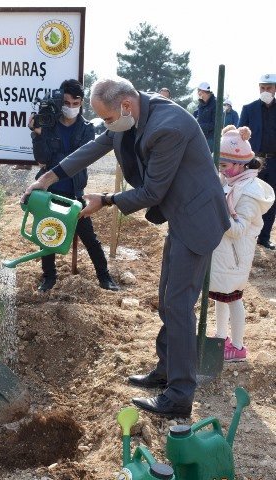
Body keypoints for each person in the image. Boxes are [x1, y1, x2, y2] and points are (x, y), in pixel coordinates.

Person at [23, 76, 230, 418]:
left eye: (107, 119)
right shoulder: (131, 114)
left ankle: (179, 396)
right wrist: (47, 177)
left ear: (126, 106)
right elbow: (95, 147)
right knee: (169, 299)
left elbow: (151, 192)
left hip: (196, 218)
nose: (106, 126)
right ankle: (167, 370)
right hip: (180, 215)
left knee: (178, 305)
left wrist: (103, 199)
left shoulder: (170, 127)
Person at [29, 78, 119, 292]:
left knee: (90, 239)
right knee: (47, 236)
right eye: (67, 103)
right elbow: (42, 160)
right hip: (50, 193)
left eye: (75, 104)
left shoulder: (87, 128)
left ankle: (104, 278)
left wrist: (57, 157)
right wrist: (38, 134)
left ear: (81, 103)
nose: (71, 108)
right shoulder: (48, 125)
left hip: (74, 194)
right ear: (60, 101)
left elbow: (81, 159)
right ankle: (48, 278)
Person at [209, 126, 274, 362]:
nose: (221, 170)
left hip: (236, 256)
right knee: (220, 296)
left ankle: (237, 346)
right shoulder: (232, 182)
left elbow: (237, 231)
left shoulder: (249, 193)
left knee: (234, 298)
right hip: (224, 254)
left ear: (240, 164)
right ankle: (220, 337)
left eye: (224, 166)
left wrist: (217, 210)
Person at [239, 73, 276, 250]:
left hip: (275, 162)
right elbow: (240, 136)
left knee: (271, 200)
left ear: (275, 89)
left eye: (269, 88)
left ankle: (264, 238)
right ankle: (246, 236)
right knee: (250, 198)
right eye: (262, 87)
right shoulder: (249, 109)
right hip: (254, 161)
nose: (265, 91)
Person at [193, 81, 216, 152]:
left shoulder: (215, 104)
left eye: (198, 91)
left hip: (211, 139)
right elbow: (198, 117)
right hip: (200, 136)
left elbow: (215, 124)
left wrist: (199, 125)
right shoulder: (201, 104)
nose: (198, 93)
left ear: (203, 92)